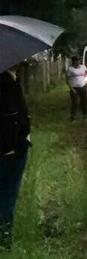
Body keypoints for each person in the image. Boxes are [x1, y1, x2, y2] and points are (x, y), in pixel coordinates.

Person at [0, 67, 30, 247]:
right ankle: (4, 240)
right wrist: (15, 145)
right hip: (8, 152)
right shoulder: (6, 82)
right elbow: (12, 117)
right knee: (7, 195)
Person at [65, 55, 87, 121]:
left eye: (78, 60)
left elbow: (86, 73)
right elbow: (67, 79)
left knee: (83, 101)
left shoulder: (83, 67)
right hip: (74, 87)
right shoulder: (70, 69)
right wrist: (71, 88)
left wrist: (84, 80)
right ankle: (73, 116)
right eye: (76, 60)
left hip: (82, 86)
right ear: (73, 61)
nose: (77, 62)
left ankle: (84, 114)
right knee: (74, 102)